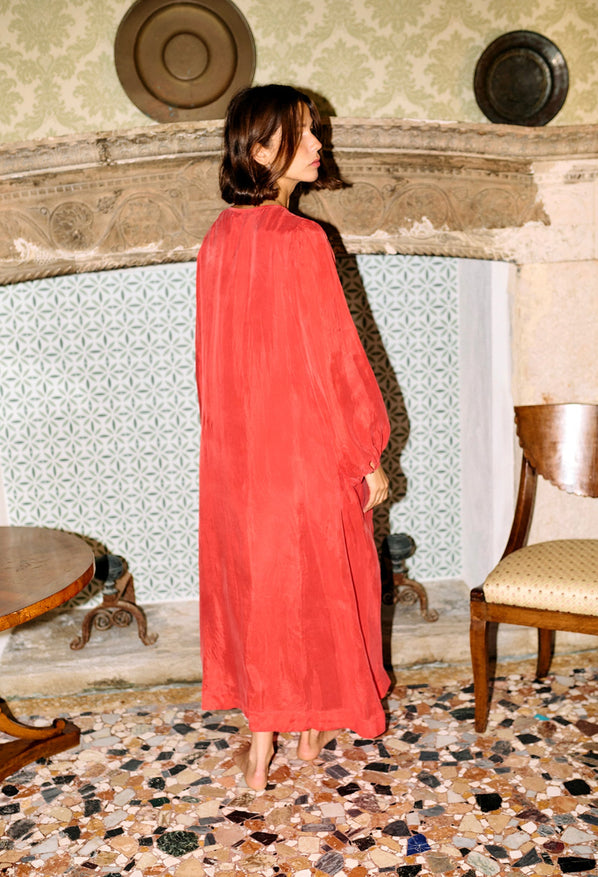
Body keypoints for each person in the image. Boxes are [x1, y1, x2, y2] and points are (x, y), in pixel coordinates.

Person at [195, 84, 390, 791]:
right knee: (315, 589)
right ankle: (295, 738)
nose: (318, 145)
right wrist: (366, 455)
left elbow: (209, 365)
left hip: (237, 461)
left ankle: (269, 744)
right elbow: (338, 361)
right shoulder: (305, 242)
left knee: (261, 592)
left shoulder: (216, 239)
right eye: (302, 134)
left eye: (315, 131)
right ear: (258, 149)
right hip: (303, 458)